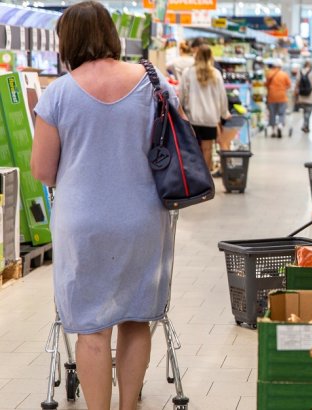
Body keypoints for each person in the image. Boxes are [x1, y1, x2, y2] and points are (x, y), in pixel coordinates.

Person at [29, 2, 177, 409]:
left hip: (83, 223)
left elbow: (42, 169)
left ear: (67, 41)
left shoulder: (58, 93)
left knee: (92, 330)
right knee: (135, 317)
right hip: (144, 218)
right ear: (111, 34)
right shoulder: (155, 84)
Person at [179, 44, 230, 174]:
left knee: (194, 148)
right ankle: (206, 177)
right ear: (211, 57)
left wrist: (180, 111)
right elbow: (222, 97)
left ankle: (195, 176)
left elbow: (183, 94)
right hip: (210, 118)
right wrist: (224, 113)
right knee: (207, 149)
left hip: (193, 118)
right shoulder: (216, 74)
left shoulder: (188, 73)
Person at [265, 58, 291, 138]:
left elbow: (266, 84)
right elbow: (289, 85)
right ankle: (280, 125)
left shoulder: (269, 73)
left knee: (272, 113)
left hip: (271, 97)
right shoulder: (284, 74)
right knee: (281, 113)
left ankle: (273, 131)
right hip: (282, 97)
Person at [295, 60, 312, 133]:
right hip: (311, 94)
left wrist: (296, 91)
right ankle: (305, 125)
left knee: (305, 111)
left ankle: (306, 126)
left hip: (302, 95)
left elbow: (297, 83)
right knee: (308, 112)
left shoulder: (300, 72)